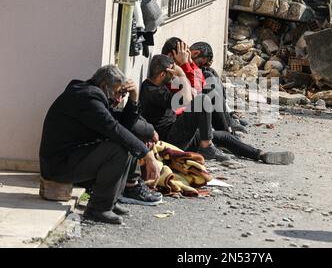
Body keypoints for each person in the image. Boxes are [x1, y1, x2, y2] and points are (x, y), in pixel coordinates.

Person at [39, 65, 162, 225]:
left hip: (71, 159)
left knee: (125, 142)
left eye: (123, 94)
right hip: (58, 166)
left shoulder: (92, 94)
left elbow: (123, 127)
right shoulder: (87, 97)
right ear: (104, 86)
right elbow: (114, 129)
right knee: (117, 149)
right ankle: (98, 208)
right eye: (118, 93)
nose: (119, 99)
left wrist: (133, 98)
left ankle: (111, 201)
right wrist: (148, 154)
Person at [140, 55, 295, 165]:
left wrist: (184, 76)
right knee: (202, 100)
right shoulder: (151, 91)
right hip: (170, 139)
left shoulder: (159, 85)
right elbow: (189, 99)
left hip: (179, 131)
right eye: (171, 72)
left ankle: (261, 154)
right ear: (162, 74)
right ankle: (206, 147)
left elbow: (191, 94)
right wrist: (181, 75)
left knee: (224, 137)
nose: (173, 75)